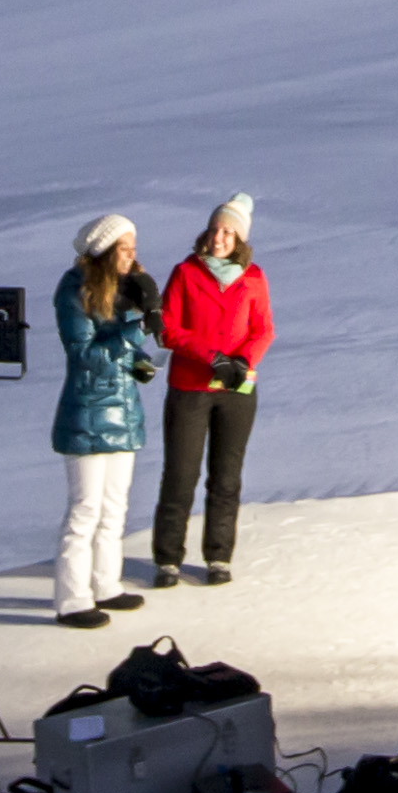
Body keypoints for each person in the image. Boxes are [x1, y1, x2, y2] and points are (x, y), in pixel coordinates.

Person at [148, 194, 270, 586]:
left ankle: (219, 557)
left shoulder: (254, 278)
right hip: (190, 386)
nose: (219, 238)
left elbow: (263, 329)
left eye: (228, 232)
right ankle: (168, 559)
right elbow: (168, 328)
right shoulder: (186, 273)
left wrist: (243, 361)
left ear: (240, 239)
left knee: (226, 477)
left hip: (236, 390)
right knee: (180, 474)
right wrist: (211, 356)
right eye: (215, 229)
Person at [49, 215, 164, 627]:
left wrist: (143, 361)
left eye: (134, 248)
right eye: (125, 249)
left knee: (115, 506)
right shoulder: (74, 291)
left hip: (123, 411)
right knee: (85, 509)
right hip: (87, 413)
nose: (133, 257)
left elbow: (121, 350)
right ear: (103, 251)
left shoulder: (122, 290)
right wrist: (135, 331)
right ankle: (72, 599)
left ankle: (106, 584)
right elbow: (85, 356)